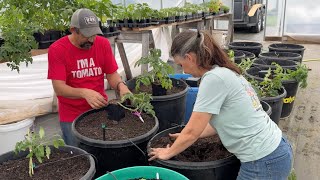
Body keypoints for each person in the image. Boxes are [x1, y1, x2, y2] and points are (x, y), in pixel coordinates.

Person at [148, 30, 293, 179]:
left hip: (263, 161)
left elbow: (192, 131)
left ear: (189, 58)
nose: (184, 70)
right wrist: (184, 138)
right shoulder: (225, 71)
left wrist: (169, 152)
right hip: (274, 150)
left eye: (181, 64)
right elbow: (217, 123)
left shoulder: (213, 79)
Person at [47, 8, 131, 146]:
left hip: (99, 110)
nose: (91, 39)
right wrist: (84, 92)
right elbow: (59, 89)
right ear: (73, 30)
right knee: (79, 158)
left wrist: (121, 86)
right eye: (87, 35)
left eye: (94, 35)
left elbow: (111, 74)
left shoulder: (102, 44)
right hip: (71, 116)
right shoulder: (57, 50)